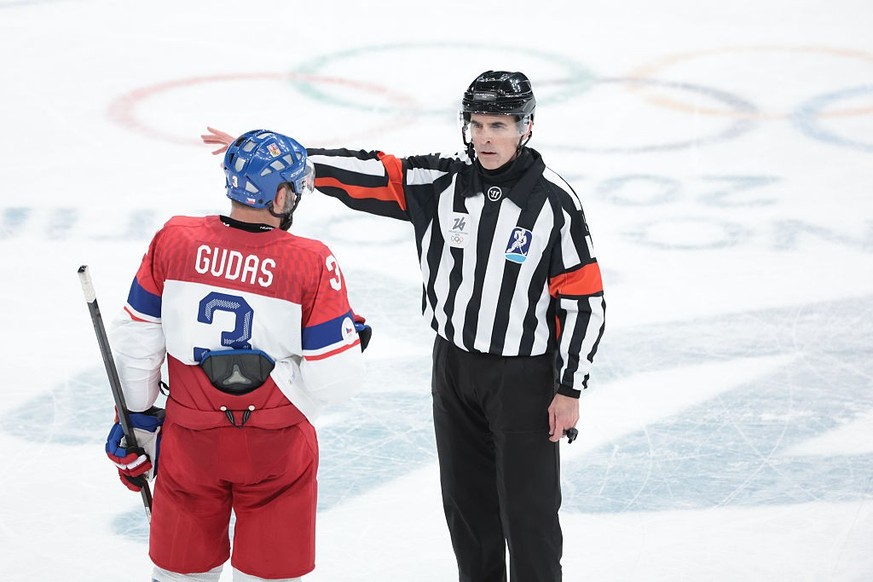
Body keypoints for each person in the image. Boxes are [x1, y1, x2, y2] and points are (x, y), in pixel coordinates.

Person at [203, 70, 605, 582]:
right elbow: (371, 172)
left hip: (524, 378)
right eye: (477, 125)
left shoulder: (554, 202)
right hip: (453, 368)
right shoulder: (442, 182)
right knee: (466, 507)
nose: (484, 138)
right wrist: (277, 159)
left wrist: (569, 388)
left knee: (530, 514)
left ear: (526, 128)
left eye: (498, 126)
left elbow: (583, 301)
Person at [105, 129, 371, 582]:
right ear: (282, 195)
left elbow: (137, 346)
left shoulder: (175, 238)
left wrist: (135, 426)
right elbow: (336, 382)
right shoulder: (311, 260)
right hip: (277, 450)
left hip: (189, 441)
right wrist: (346, 344)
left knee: (179, 575)